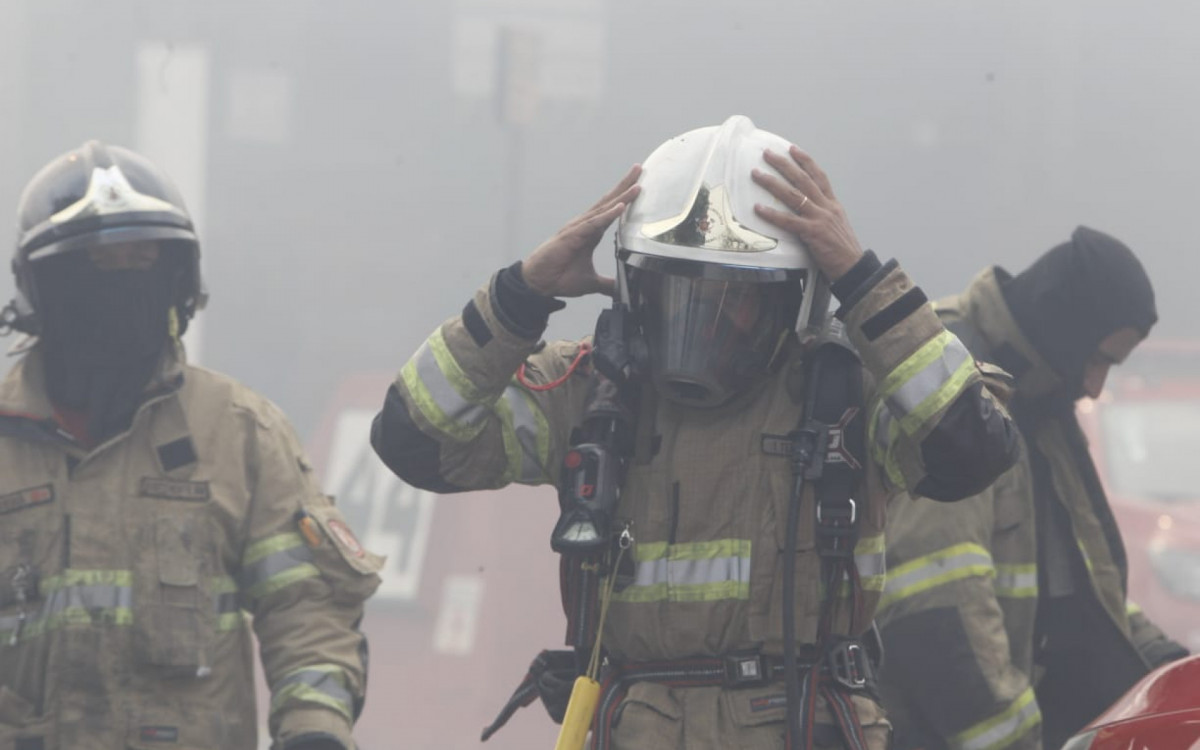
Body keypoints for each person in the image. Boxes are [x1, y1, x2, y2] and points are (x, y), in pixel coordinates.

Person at [371, 116, 1017, 749]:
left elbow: (974, 446)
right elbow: (415, 436)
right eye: (677, 294)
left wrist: (864, 282)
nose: (702, 328)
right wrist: (520, 295)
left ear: (796, 298)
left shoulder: (851, 396)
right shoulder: (591, 392)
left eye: (733, 300)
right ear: (634, 287)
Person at [0, 141, 381, 750]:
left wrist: (315, 730)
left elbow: (310, 608)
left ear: (175, 282)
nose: (122, 291)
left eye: (141, 263)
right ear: (43, 289)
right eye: (99, 265)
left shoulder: (237, 433)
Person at [875, 227, 1189, 750]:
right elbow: (940, 609)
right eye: (1099, 360)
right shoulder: (960, 385)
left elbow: (1085, 586)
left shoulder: (1039, 402)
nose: (1095, 387)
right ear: (1067, 330)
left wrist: (1169, 667)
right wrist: (1018, 742)